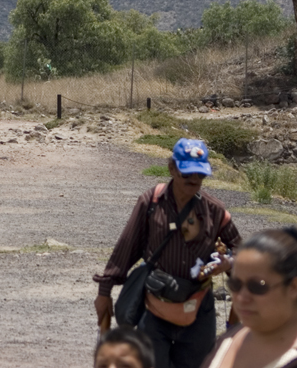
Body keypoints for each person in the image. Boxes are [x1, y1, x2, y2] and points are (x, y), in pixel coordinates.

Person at [94, 138, 241, 368]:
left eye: (200, 175)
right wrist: (104, 292)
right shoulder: (151, 202)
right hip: (154, 308)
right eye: (187, 174)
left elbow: (242, 251)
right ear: (171, 168)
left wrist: (229, 263)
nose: (194, 181)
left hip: (198, 309)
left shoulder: (215, 210)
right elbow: (126, 248)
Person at [201, 227, 297, 368]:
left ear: (293, 287)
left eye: (257, 286)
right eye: (235, 284)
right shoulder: (229, 339)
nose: (241, 298)